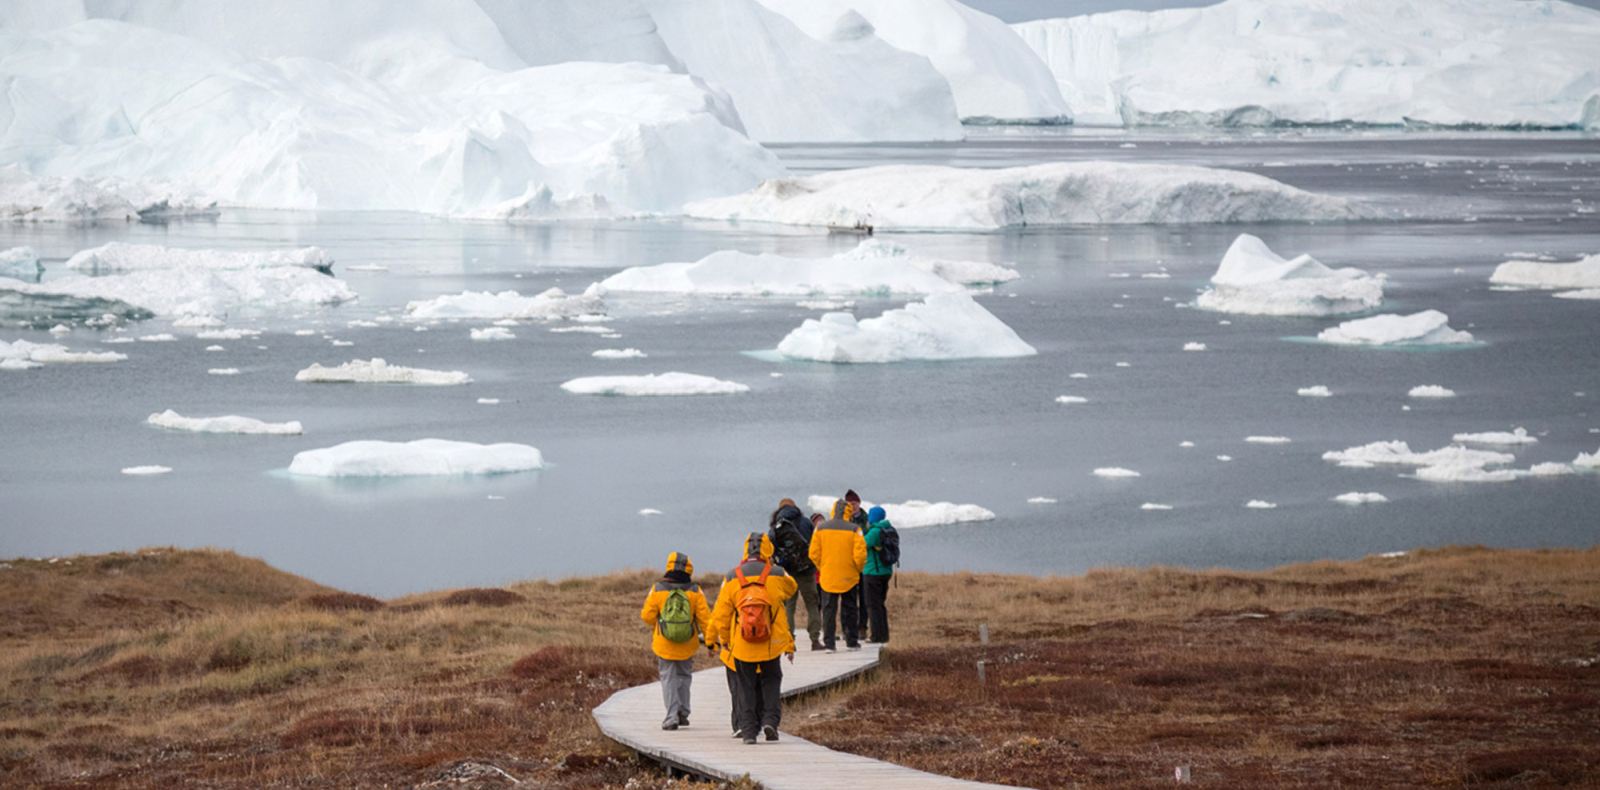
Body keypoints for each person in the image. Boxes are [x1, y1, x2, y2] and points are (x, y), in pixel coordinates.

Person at [708, 532, 797, 745]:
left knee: (745, 687)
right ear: (767, 549)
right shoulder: (777, 574)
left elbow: (721, 615)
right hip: (771, 644)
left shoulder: (731, 577)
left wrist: (725, 639)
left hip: (742, 645)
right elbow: (792, 588)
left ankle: (748, 732)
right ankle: (770, 722)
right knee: (771, 682)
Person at [639, 552, 712, 731]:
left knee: (668, 677)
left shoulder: (658, 588)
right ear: (688, 567)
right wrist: (712, 642)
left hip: (664, 642)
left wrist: (661, 620)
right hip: (688, 642)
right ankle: (683, 712)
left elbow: (647, 617)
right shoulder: (695, 590)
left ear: (669, 566)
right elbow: (706, 620)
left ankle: (671, 717)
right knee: (684, 676)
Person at [808, 498, 866, 652]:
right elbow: (860, 555)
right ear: (848, 512)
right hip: (849, 576)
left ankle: (829, 644)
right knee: (850, 609)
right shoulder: (855, 529)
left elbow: (813, 553)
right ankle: (852, 642)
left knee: (828, 610)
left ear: (833, 511)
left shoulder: (820, 528)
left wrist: (822, 566)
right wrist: (857, 569)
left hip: (828, 575)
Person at [768, 498, 823, 651]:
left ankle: (789, 639)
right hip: (807, 570)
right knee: (812, 604)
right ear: (795, 507)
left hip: (786, 572)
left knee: (788, 607)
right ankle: (815, 640)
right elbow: (816, 544)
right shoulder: (806, 522)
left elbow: (770, 548)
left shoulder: (776, 526)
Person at [862, 506, 895, 644]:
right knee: (880, 604)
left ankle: (876, 636)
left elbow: (861, 544)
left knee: (872, 605)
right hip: (886, 571)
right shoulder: (889, 529)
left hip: (873, 572)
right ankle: (884, 635)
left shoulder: (875, 531)